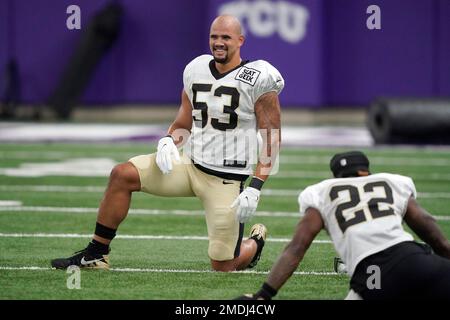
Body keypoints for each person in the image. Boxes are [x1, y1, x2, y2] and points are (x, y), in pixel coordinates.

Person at [51, 15, 284, 272]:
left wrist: (256, 186)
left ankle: (255, 243)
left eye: (225, 37)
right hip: (189, 165)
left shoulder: (259, 77)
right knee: (122, 174)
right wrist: (168, 139)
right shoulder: (196, 69)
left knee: (223, 265)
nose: (218, 43)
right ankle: (96, 254)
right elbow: (184, 121)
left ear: (240, 41)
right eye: (214, 37)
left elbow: (272, 137)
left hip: (226, 179)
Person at [237, 150, 450, 300]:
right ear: (365, 172)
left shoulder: (323, 191)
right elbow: (435, 236)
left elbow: (297, 247)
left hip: (374, 271)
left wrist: (264, 294)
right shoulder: (391, 182)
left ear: (336, 176)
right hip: (416, 258)